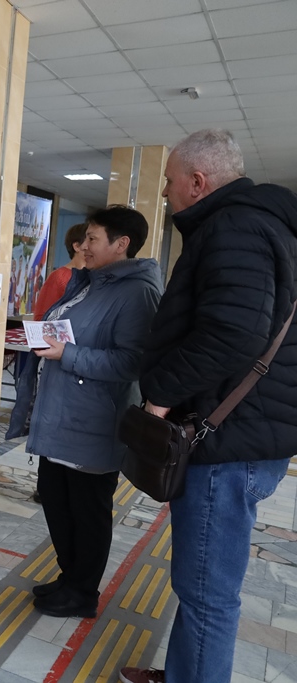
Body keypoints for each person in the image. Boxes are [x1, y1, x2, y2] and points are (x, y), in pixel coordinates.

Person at [120, 131, 297, 683]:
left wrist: (160, 395)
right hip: (246, 432)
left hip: (225, 439)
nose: (165, 192)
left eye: (170, 181)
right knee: (202, 584)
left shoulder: (234, 227)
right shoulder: (264, 224)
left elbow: (232, 333)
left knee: (206, 591)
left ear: (197, 182)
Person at [7, 205, 162, 619]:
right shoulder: (89, 283)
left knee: (87, 511)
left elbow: (133, 362)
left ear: (121, 244)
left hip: (94, 422)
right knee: (57, 501)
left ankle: (83, 592)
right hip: (60, 416)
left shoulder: (137, 293)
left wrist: (68, 354)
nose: (83, 245)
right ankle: (69, 577)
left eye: (92, 238)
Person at [33, 222, 88, 320]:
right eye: (90, 240)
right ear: (76, 246)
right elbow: (41, 316)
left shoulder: (96, 275)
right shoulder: (59, 277)